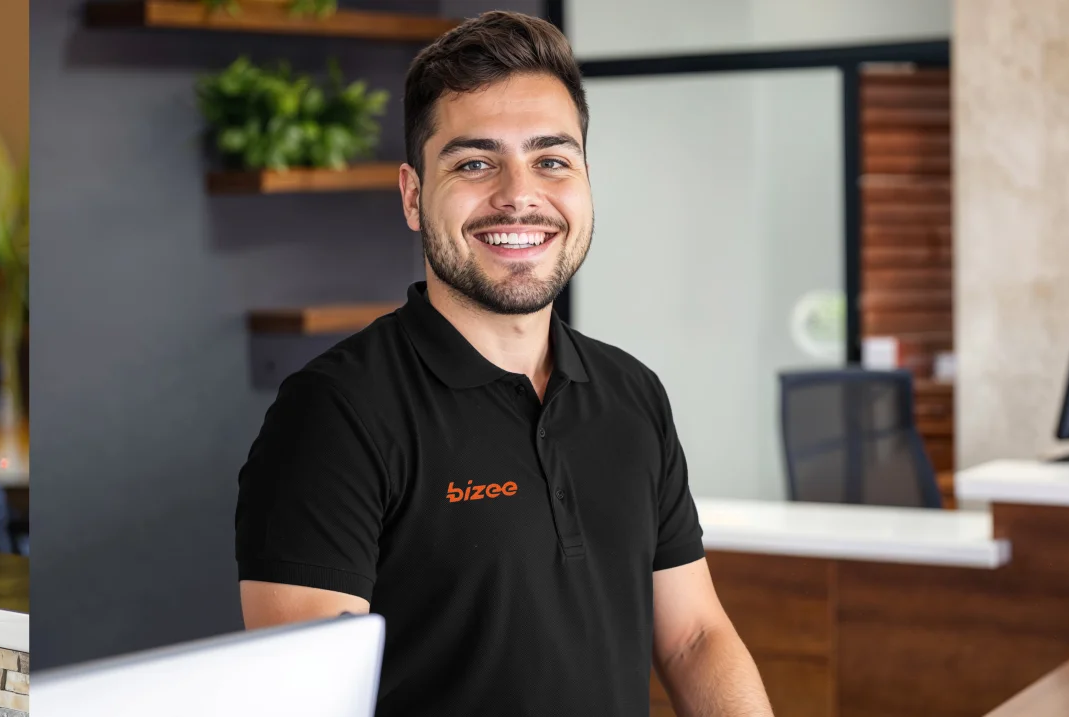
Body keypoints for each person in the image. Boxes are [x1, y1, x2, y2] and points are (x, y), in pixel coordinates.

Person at [235, 10, 772, 716]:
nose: (520, 194)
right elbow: (306, 702)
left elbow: (694, 637)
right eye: (475, 162)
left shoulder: (632, 395)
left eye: (552, 159)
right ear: (413, 195)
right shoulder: (335, 412)